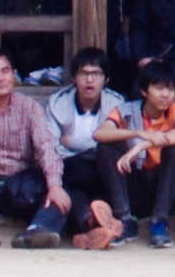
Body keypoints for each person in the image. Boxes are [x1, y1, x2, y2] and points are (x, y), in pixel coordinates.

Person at [42, 51, 137, 247]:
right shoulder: (57, 103)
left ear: (106, 79)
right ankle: (93, 223)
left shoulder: (117, 104)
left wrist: (72, 142)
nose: (90, 80)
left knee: (105, 151)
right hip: (68, 167)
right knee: (67, 182)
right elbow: (51, 145)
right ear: (73, 78)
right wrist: (88, 144)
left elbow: (117, 143)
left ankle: (93, 224)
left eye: (96, 74)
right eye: (84, 73)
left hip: (103, 170)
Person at [121, 73, 175, 246]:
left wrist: (141, 145)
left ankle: (159, 223)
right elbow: (100, 133)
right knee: (107, 147)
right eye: (159, 88)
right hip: (135, 183)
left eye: (170, 89)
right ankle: (125, 217)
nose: (166, 94)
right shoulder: (127, 110)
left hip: (165, 190)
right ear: (144, 91)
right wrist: (138, 134)